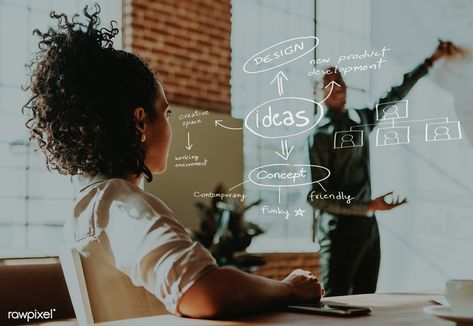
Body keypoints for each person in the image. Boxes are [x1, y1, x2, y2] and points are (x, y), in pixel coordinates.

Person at [22, 5, 323, 319]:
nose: (169, 125)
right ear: (140, 122)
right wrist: (288, 288)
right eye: (166, 113)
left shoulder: (85, 210)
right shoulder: (124, 207)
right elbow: (204, 292)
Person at [307, 40, 460, 297]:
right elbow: (316, 197)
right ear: (317, 93)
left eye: (340, 79)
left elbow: (395, 95)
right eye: (328, 82)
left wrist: (429, 61)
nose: (337, 86)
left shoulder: (361, 120)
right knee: (338, 304)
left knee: (369, 302)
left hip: (368, 231)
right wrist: (366, 206)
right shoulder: (318, 135)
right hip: (338, 234)